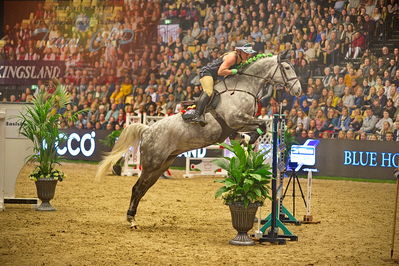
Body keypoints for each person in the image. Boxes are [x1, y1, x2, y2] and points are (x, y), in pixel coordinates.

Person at [188, 40, 256, 125]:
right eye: (246, 53)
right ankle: (197, 115)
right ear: (238, 52)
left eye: (249, 53)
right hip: (207, 73)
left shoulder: (241, 58)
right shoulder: (232, 57)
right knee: (209, 91)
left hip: (216, 76)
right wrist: (233, 71)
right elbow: (220, 71)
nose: (248, 55)